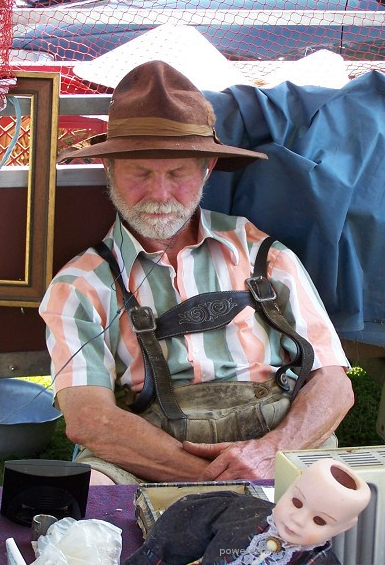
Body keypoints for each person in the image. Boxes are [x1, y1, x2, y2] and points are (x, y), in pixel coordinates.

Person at [39, 60, 354, 485]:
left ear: (205, 170)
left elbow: (334, 385)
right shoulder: (79, 285)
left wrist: (268, 456)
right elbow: (88, 419)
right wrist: (214, 479)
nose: (160, 193)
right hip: (149, 463)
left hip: (275, 453)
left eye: (178, 173)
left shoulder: (264, 254)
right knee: (93, 508)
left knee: (343, 510)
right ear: (109, 171)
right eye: (140, 172)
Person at [124, 458, 372, 565]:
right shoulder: (243, 512)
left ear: (343, 527)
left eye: (320, 520)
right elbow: (190, 520)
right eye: (297, 502)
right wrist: (151, 561)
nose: (298, 520)